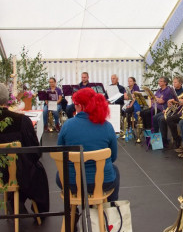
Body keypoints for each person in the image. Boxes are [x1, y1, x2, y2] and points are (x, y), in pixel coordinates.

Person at [57, 87, 119, 202]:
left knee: (60, 172)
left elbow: (59, 153)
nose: (74, 106)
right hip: (102, 183)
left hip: (72, 183)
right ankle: (109, 209)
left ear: (80, 106)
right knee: (114, 170)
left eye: (75, 104)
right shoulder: (107, 126)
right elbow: (113, 157)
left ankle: (72, 211)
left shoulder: (67, 125)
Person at [0, 83, 49, 213]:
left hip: (1, 174)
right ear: (6, 99)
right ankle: (34, 208)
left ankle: (14, 199)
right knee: (36, 170)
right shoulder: (21, 120)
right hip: (18, 172)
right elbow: (34, 150)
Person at [153, 76, 183, 149]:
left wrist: (173, 102)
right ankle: (158, 139)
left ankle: (168, 140)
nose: (173, 84)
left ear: (180, 83)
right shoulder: (172, 91)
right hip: (172, 110)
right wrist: (167, 107)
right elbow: (169, 101)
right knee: (155, 117)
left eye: (175, 82)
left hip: (179, 111)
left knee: (162, 119)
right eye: (173, 82)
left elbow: (181, 103)